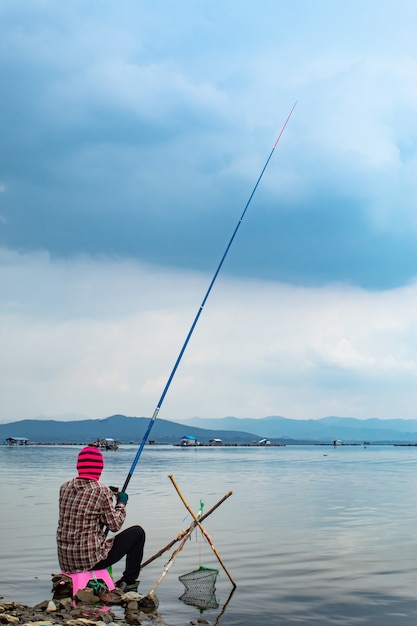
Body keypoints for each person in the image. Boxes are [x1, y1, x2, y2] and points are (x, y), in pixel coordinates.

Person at [57, 445, 145, 592]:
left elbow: (84, 505)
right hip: (90, 561)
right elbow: (115, 525)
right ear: (100, 469)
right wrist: (121, 503)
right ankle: (129, 581)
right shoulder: (101, 491)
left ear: (78, 466)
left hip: (66, 561)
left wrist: (109, 493)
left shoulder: (64, 487)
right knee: (138, 533)